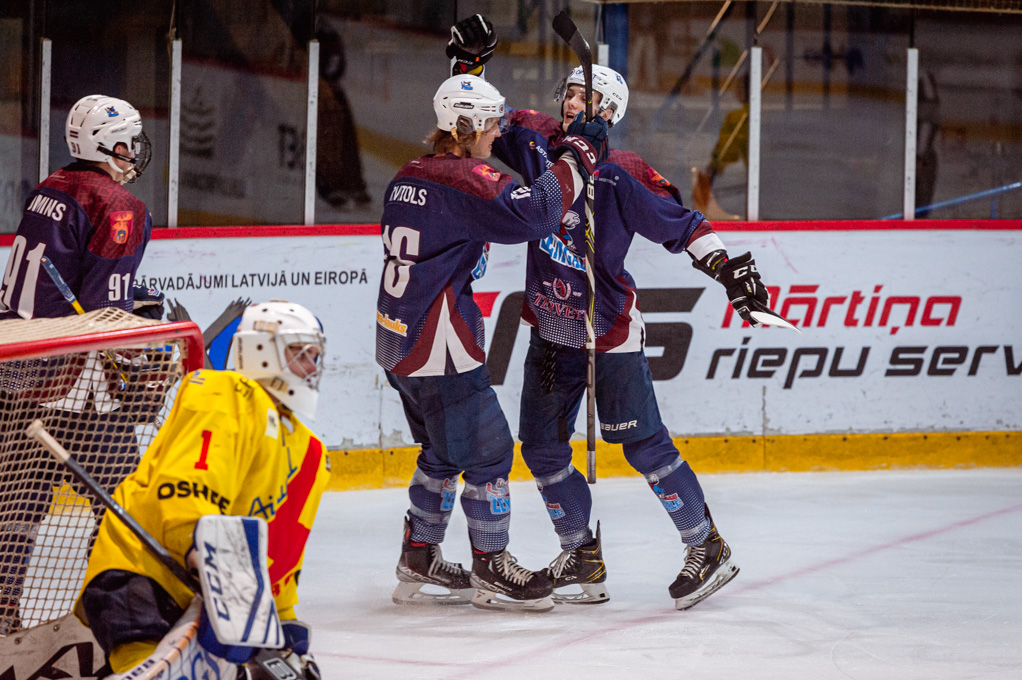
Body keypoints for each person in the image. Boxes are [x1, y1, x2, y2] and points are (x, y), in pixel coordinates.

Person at [447, 15, 775, 610]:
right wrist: (468, 66)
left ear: (610, 112)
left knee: (644, 444)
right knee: (541, 448)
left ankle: (706, 544)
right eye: (570, 94)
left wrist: (729, 271)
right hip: (550, 332)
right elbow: (476, 120)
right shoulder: (538, 143)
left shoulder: (622, 173)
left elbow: (684, 225)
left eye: (586, 97)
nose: (573, 104)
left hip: (609, 334)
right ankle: (581, 553)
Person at [378, 73, 607, 612]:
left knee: (439, 451)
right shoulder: (464, 179)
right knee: (490, 452)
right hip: (439, 344)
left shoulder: (407, 175)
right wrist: (577, 153)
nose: (497, 133)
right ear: (465, 127)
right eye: (489, 125)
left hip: (396, 340)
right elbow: (539, 213)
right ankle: (492, 566)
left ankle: (419, 555)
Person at [76, 300, 329, 676]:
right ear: (260, 349)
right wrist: (214, 566)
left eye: (315, 356)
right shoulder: (225, 393)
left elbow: (280, 556)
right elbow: (185, 489)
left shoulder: (310, 452)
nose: (311, 367)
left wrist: (281, 626)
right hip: (142, 574)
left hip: (208, 598)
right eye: (299, 353)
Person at [0, 94, 159, 636]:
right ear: (107, 144)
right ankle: (116, 617)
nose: (135, 149)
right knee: (126, 505)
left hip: (17, 371)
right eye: (129, 140)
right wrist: (137, 364)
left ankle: (2, 612)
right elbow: (105, 316)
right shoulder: (118, 205)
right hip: (74, 386)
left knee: (15, 508)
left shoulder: (50, 188)